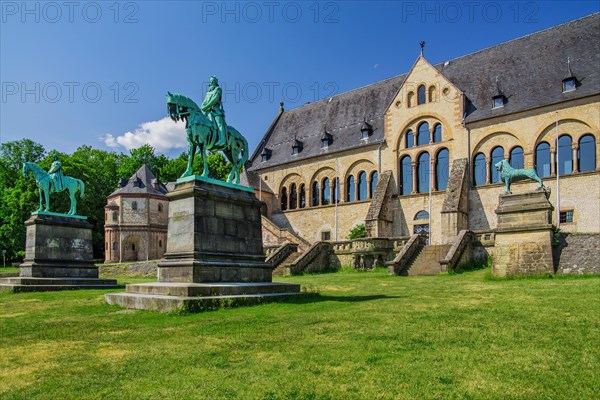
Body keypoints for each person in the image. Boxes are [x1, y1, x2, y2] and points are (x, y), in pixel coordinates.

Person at [200, 76, 227, 147]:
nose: (210, 83)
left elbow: (215, 99)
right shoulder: (208, 93)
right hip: (207, 111)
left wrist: (206, 106)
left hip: (215, 111)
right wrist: (202, 107)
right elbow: (205, 101)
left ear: (215, 82)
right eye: (210, 81)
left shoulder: (218, 89)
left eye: (212, 81)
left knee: (219, 124)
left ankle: (222, 139)